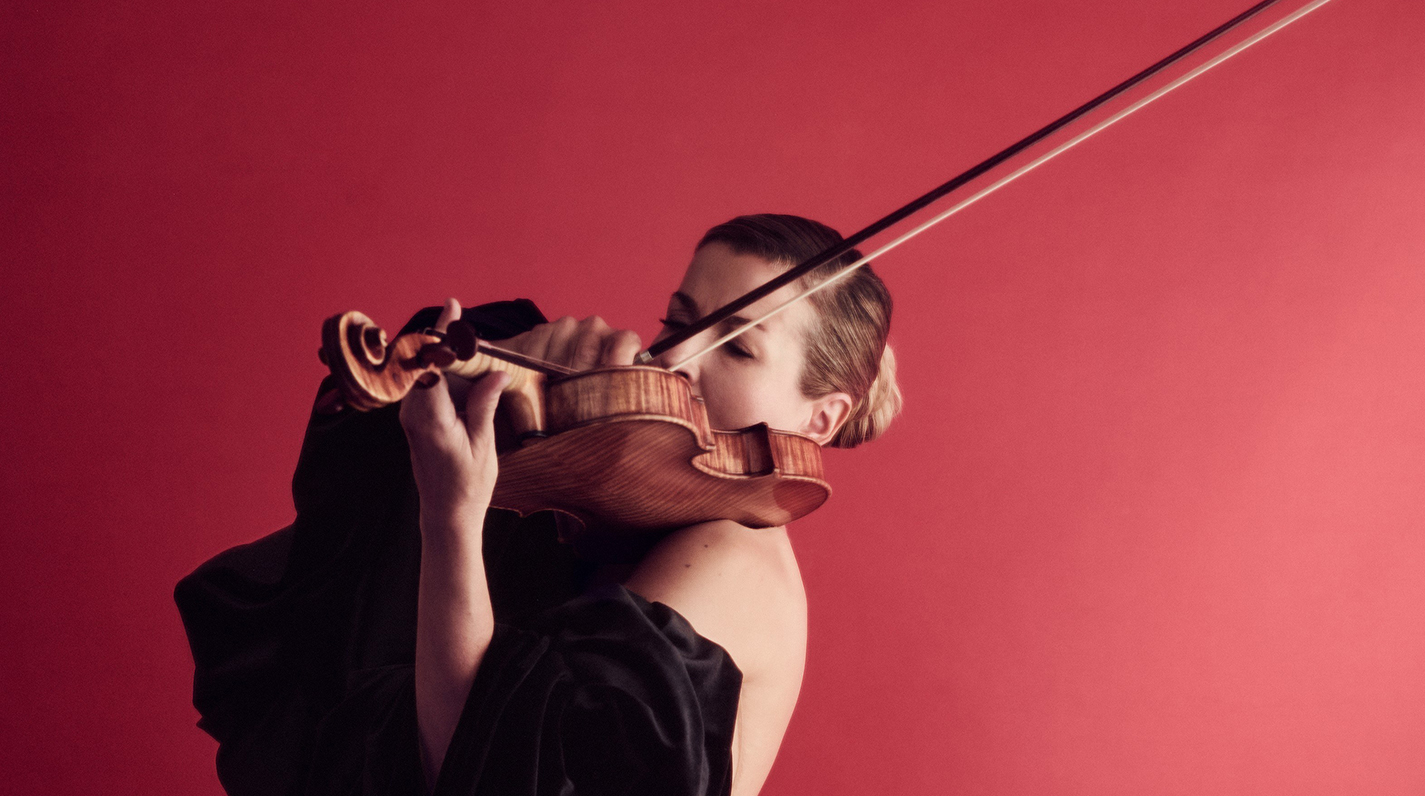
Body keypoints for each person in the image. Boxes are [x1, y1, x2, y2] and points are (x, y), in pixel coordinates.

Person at [176, 214, 900, 796]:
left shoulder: (729, 553)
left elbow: (491, 766)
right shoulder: (633, 523)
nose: (677, 359)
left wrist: (453, 517)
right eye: (678, 323)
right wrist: (508, 368)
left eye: (738, 349)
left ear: (821, 418)